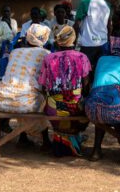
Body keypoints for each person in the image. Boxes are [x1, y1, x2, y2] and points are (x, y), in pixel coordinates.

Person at [85, 36, 120, 162]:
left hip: (91, 109)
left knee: (100, 102)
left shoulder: (102, 60)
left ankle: (96, 151)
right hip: (117, 110)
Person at [38, 26, 92, 156]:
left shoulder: (48, 58)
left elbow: (43, 87)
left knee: (51, 105)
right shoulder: (82, 57)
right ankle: (73, 139)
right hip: (75, 108)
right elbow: (86, 87)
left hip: (53, 109)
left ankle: (63, 141)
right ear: (74, 39)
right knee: (87, 109)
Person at [0, 23, 52, 114]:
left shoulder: (14, 52)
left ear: (27, 36)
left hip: (0, 101)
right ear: (45, 38)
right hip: (26, 104)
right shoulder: (46, 54)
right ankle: (36, 124)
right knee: (46, 98)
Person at [74, 0, 111, 70]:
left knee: (86, 71)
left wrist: (74, 42)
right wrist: (108, 41)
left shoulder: (84, 2)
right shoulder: (107, 4)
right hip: (103, 43)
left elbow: (77, 25)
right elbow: (109, 25)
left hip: (87, 44)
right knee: (100, 70)